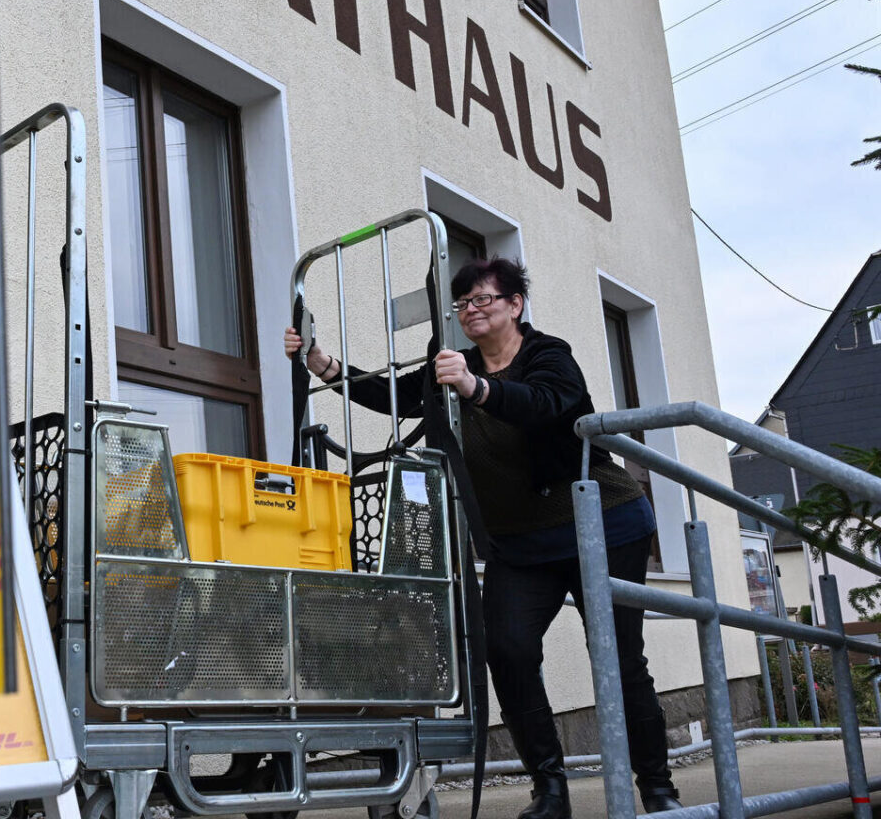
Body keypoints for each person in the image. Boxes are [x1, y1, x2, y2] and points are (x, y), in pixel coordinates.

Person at [283, 258, 682, 818]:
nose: (470, 311)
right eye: (462, 304)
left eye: (483, 300)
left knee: (616, 657)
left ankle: (658, 791)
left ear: (514, 305)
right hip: (519, 542)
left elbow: (546, 406)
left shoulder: (549, 354)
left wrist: (475, 387)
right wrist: (322, 362)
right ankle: (550, 790)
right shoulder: (453, 363)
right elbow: (392, 395)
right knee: (507, 650)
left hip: (602, 525)